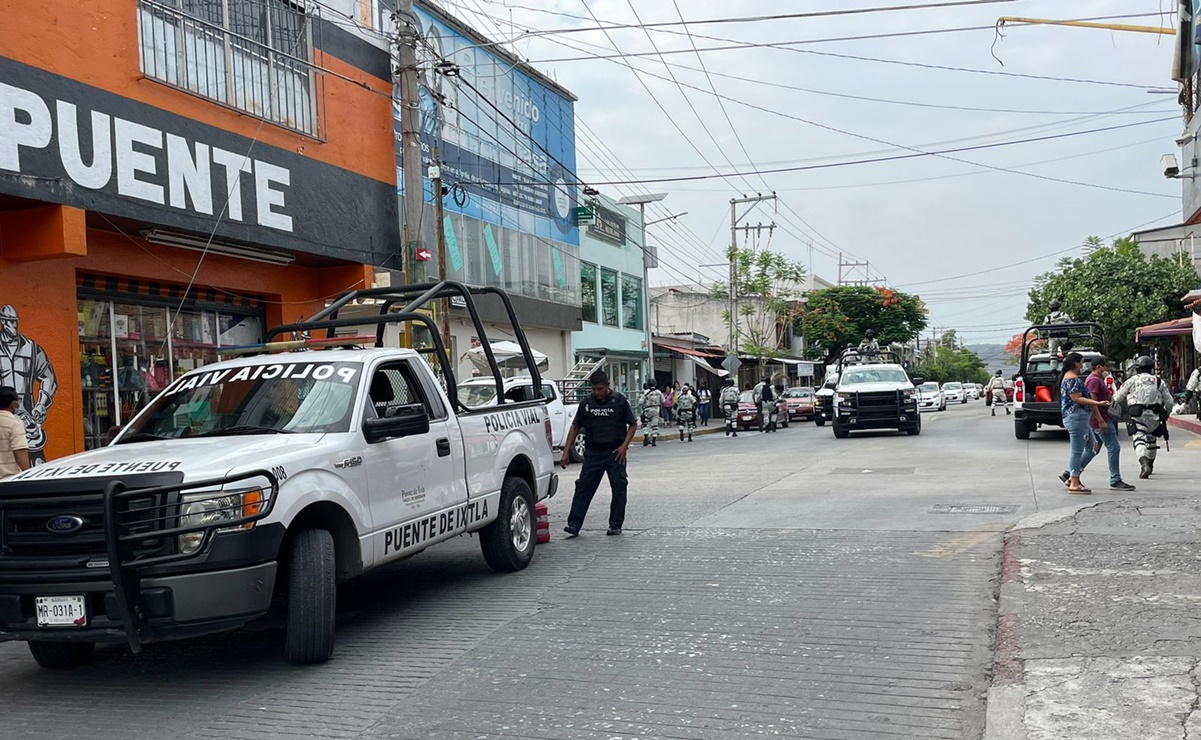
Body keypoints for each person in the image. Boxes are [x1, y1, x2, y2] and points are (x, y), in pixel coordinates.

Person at [561, 370, 638, 537]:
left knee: (619, 489)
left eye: (600, 388)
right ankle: (574, 524)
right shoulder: (586, 403)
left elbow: (633, 424)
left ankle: (615, 525)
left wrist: (624, 446)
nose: (597, 392)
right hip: (593, 453)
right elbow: (575, 427)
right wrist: (566, 451)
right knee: (583, 488)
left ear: (607, 386)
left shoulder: (619, 401)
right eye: (594, 389)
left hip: (615, 453)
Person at [1061, 359, 1135, 491]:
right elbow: (1090, 401)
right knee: (1113, 447)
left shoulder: (1093, 379)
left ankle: (1070, 473)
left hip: (1093, 418)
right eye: (1106, 367)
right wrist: (1100, 420)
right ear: (1099, 367)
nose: (1108, 370)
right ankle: (1115, 479)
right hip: (1098, 419)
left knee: (1092, 448)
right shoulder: (1093, 380)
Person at [0, 305, 57, 466]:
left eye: (16, 322)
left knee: (37, 464)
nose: (15, 326)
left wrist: (41, 404)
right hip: (3, 420)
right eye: (11, 322)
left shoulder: (31, 348)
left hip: (29, 420)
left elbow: (48, 377)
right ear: (3, 322)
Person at [1112, 355, 1174, 479]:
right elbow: (1169, 401)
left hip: (1137, 415)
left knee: (1139, 439)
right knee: (1151, 441)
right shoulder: (1159, 381)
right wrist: (1167, 413)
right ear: (1151, 368)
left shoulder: (1130, 381)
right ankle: (1150, 465)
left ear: (1137, 368)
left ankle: (1144, 463)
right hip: (1154, 416)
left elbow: (1117, 398)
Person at [1059, 352, 1109, 494]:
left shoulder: (1068, 378)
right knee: (1077, 450)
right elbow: (1076, 398)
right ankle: (1074, 481)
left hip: (1080, 418)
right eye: (1081, 362)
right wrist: (1097, 403)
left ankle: (1072, 474)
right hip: (1076, 418)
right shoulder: (1073, 379)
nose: (1083, 365)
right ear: (1075, 363)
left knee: (1093, 446)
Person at [0, 386, 31, 477]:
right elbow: (20, 452)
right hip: (8, 481)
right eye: (18, 400)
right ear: (13, 404)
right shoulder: (14, 424)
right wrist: (28, 475)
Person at [639, 380, 664, 447]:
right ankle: (654, 441)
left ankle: (646, 437)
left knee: (645, 424)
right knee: (654, 426)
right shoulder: (659, 392)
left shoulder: (646, 392)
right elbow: (663, 401)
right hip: (656, 410)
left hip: (647, 410)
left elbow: (640, 402)